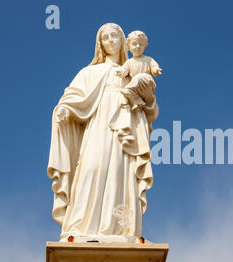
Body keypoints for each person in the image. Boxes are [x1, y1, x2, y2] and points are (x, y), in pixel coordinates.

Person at [47, 23, 159, 243]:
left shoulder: (132, 71)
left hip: (125, 131)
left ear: (122, 41)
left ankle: (121, 229)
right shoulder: (89, 72)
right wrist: (63, 110)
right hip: (97, 128)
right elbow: (71, 98)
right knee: (91, 168)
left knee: (121, 172)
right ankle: (80, 227)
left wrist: (149, 98)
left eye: (114, 36)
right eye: (105, 37)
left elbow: (150, 112)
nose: (110, 40)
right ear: (100, 44)